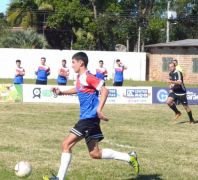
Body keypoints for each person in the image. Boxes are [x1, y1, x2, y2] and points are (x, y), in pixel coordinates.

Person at [43, 52, 139, 180]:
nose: (72, 66)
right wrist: (61, 92)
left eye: (73, 62)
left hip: (89, 118)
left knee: (66, 144)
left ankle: (60, 178)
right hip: (88, 119)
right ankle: (129, 157)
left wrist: (99, 109)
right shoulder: (80, 77)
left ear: (81, 63)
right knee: (95, 153)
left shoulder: (88, 77)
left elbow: (105, 90)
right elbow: (77, 89)